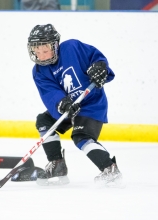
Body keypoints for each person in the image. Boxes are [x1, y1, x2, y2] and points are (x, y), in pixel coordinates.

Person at [26, 24, 122, 186]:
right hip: (67, 108)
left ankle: (109, 168)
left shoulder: (72, 48)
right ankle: (57, 165)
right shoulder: (39, 71)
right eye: (37, 51)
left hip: (91, 104)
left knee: (81, 137)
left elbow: (95, 57)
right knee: (44, 121)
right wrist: (62, 103)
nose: (41, 55)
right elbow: (50, 93)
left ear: (55, 45)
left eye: (45, 49)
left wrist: (100, 67)